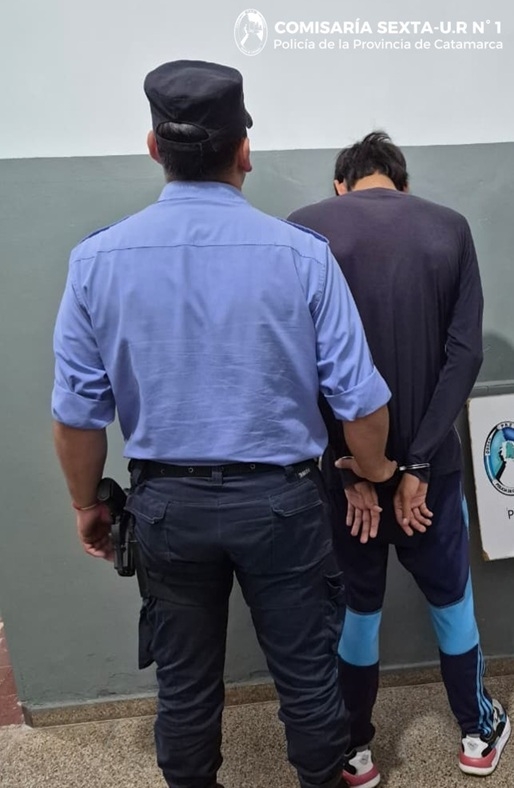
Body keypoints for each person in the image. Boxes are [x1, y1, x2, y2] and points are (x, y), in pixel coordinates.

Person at [51, 64, 395, 788]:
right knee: (308, 679)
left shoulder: (95, 261)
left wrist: (87, 503)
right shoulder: (303, 257)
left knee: (183, 687)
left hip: (166, 507)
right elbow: (361, 405)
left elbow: (78, 415)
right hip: (282, 505)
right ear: (244, 150)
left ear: (155, 146)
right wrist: (371, 472)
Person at [289, 131, 510, 788]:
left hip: (343, 482)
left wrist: (347, 466)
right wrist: (417, 466)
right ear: (403, 183)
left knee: (357, 611)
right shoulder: (449, 227)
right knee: (451, 601)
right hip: (429, 476)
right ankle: (477, 735)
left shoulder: (304, 230)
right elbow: (465, 354)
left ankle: (354, 751)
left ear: (340, 184)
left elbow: (296, 362)